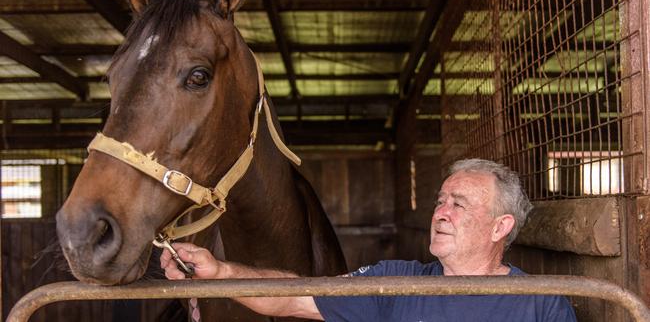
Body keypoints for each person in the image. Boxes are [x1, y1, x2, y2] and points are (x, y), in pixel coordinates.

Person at [161, 158, 577, 321]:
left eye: (460, 205)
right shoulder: (392, 282)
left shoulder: (540, 301)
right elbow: (290, 296)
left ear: (500, 227)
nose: (441, 213)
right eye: (440, 201)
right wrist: (219, 271)